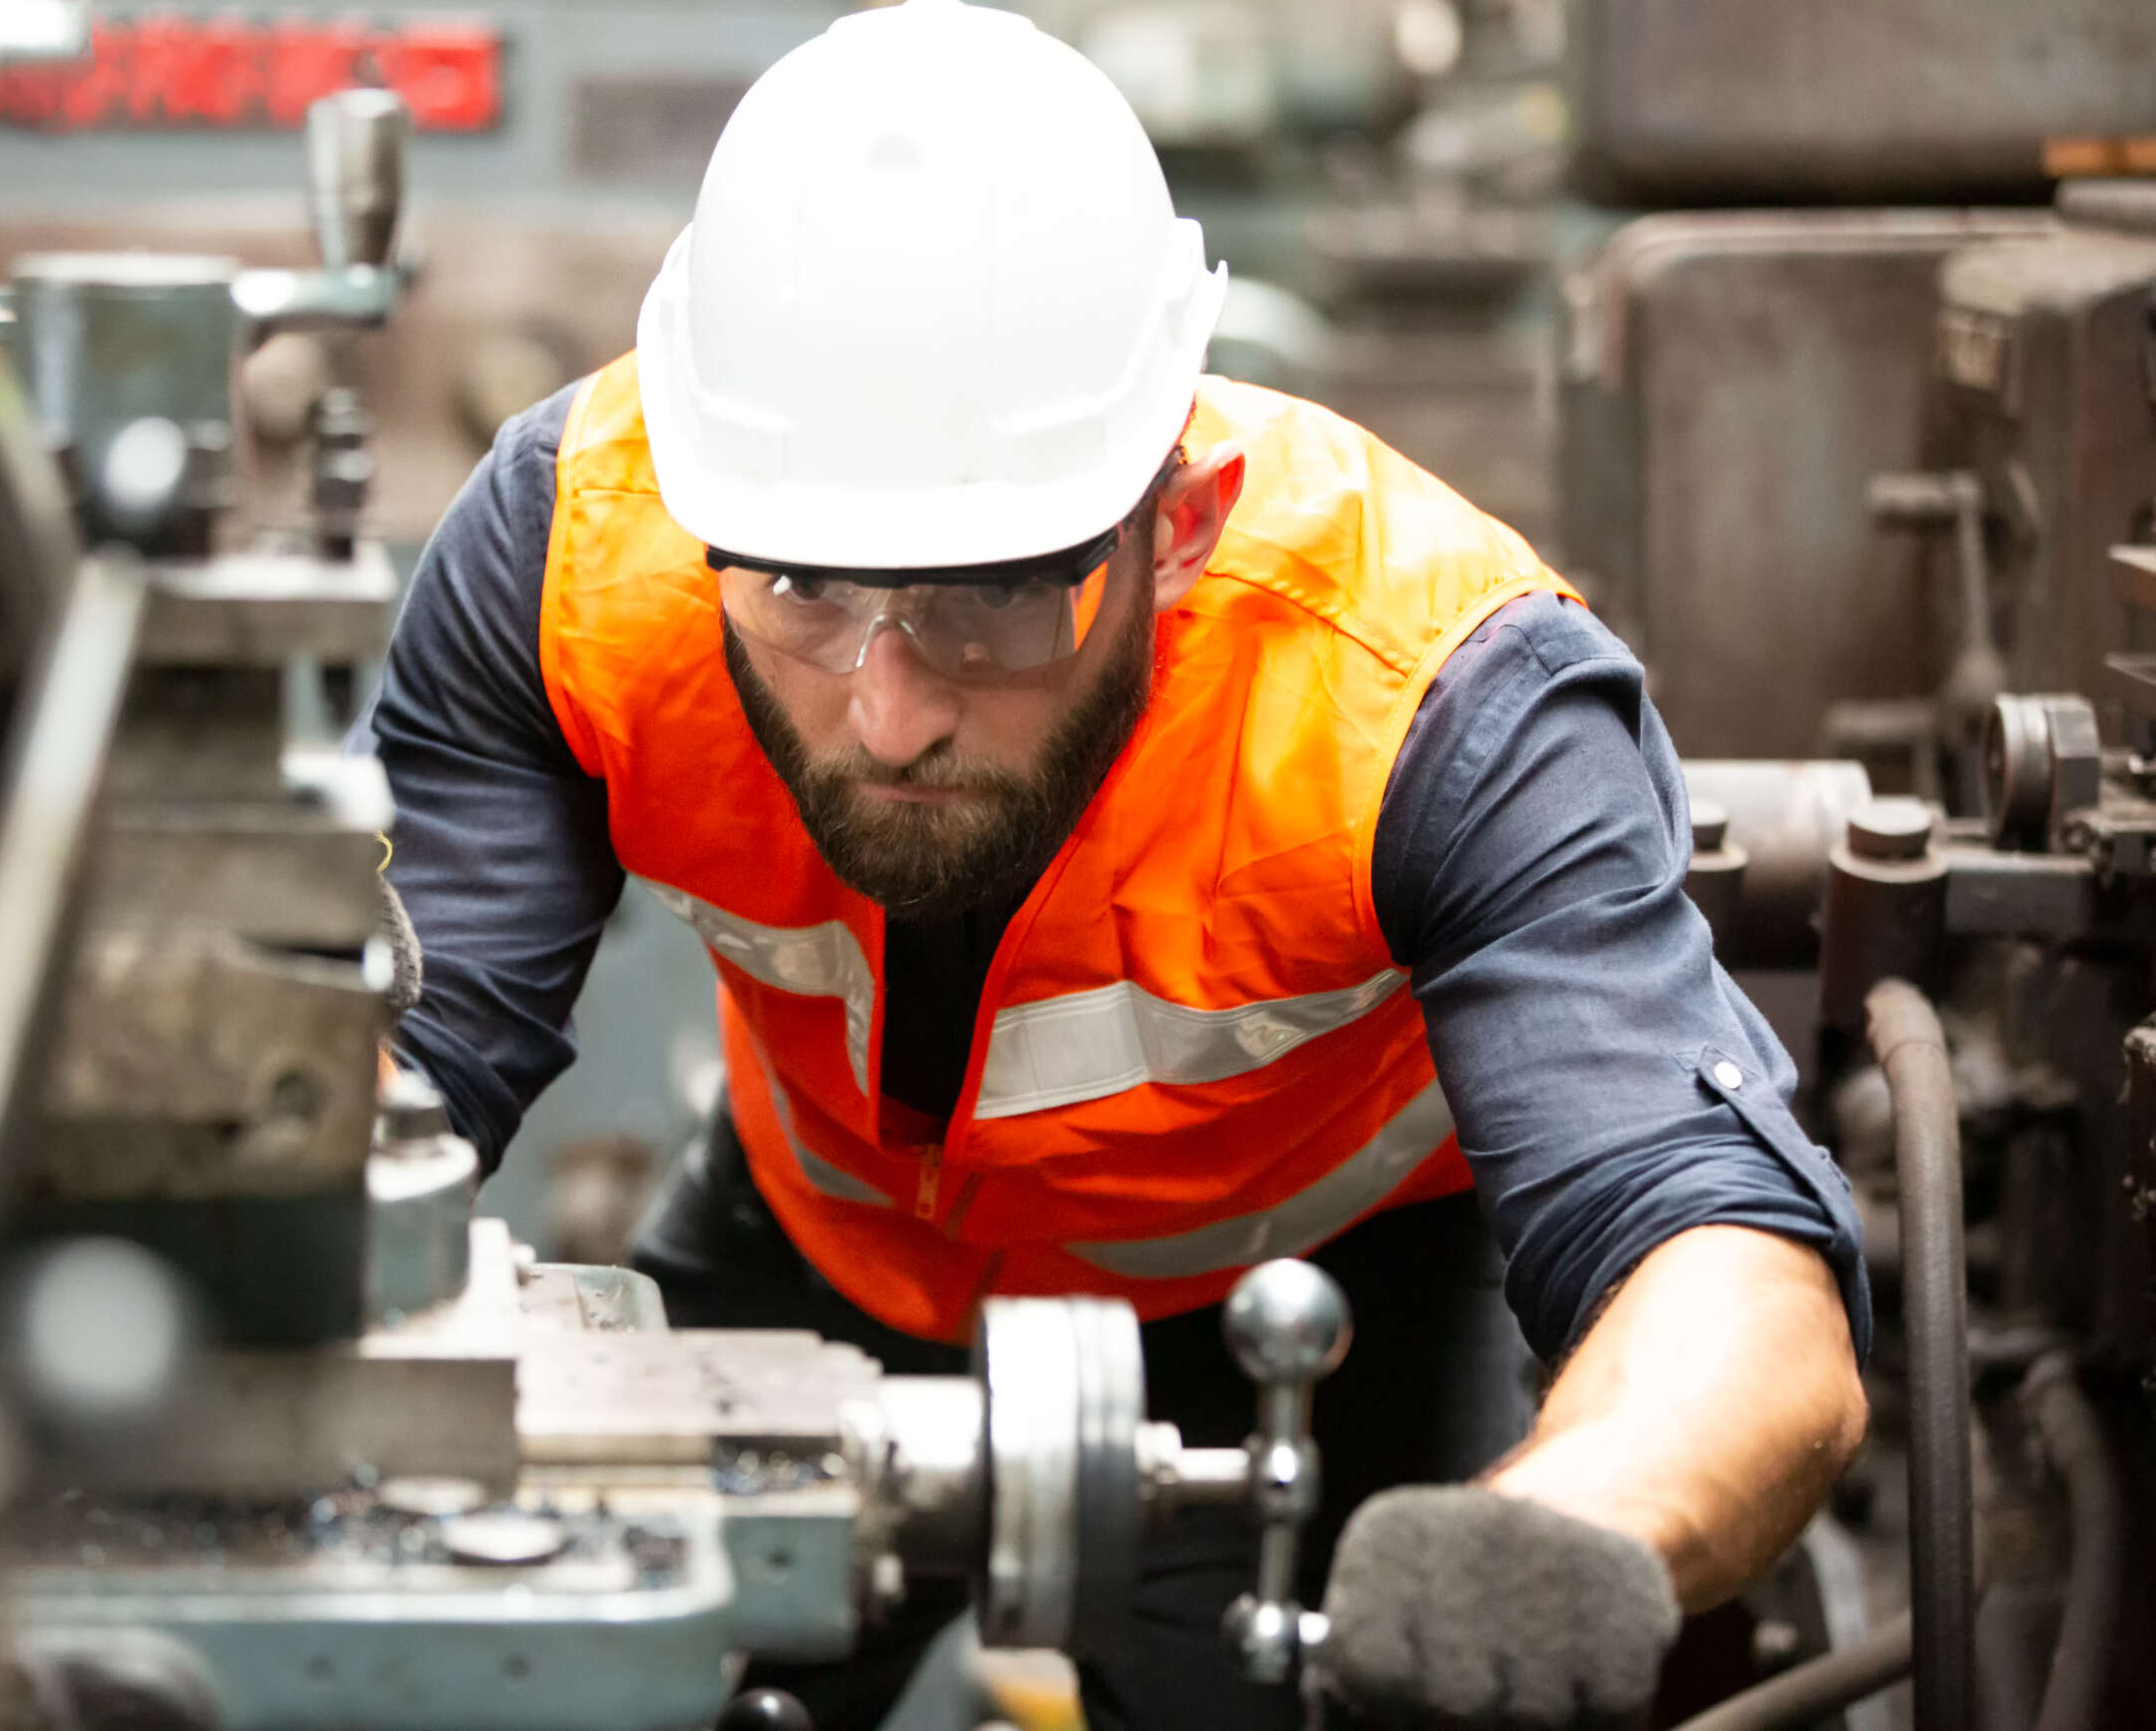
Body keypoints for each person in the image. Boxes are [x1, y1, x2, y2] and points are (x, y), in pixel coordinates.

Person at [355, 3, 1869, 1725]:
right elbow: (391, 1067)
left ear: (1186, 514)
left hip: (1300, 1314)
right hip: (816, 1250)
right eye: (804, 595)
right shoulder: (574, 563)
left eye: (994, 598)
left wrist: (1571, 1531)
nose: (892, 708)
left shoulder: (1435, 701)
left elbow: (1730, 1275)